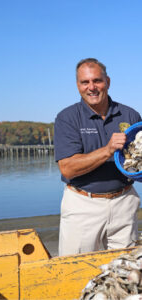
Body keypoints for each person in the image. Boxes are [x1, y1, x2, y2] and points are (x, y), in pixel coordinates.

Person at [54, 58, 141, 256]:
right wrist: (108, 150)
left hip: (124, 202)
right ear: (78, 86)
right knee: (75, 270)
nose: (91, 87)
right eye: (85, 82)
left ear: (107, 82)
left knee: (126, 273)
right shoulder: (67, 118)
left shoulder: (130, 115)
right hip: (83, 205)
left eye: (97, 81)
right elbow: (67, 168)